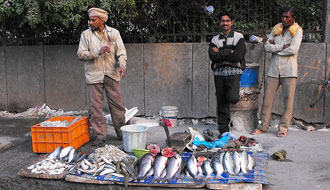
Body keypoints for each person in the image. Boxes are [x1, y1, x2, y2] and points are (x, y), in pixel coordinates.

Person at [77, 7, 127, 146]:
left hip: (111, 74)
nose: (90, 22)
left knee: (118, 107)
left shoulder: (114, 33)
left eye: (93, 20)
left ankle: (122, 133)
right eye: (90, 19)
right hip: (94, 76)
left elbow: (121, 52)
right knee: (96, 108)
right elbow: (80, 54)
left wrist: (122, 65)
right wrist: (96, 52)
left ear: (102, 20)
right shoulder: (86, 35)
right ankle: (100, 136)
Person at [251, 6, 303, 137]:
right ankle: (263, 126)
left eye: (287, 17)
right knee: (267, 100)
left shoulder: (297, 31)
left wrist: (277, 50)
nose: (284, 19)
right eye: (283, 16)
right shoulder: (276, 28)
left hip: (289, 70)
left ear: (293, 18)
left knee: (288, 101)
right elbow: (267, 46)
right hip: (274, 69)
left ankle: (283, 127)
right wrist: (281, 47)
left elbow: (293, 50)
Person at [208, 11, 246, 135]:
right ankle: (223, 131)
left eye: (227, 21)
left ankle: (235, 94)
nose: (225, 23)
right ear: (220, 23)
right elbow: (213, 56)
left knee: (233, 98)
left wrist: (221, 52)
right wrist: (229, 51)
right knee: (221, 102)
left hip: (234, 72)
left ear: (232, 22)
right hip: (219, 74)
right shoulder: (215, 39)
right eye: (223, 21)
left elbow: (239, 56)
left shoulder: (238, 37)